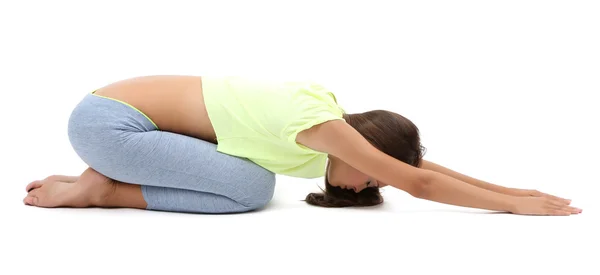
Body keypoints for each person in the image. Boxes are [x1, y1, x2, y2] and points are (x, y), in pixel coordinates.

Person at [23, 75, 581, 215]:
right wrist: (512, 209)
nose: (366, 182)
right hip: (109, 128)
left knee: (249, 183)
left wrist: (515, 188)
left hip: (118, 125)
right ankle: (100, 192)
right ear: (363, 145)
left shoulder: (334, 132)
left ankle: (106, 181)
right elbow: (420, 182)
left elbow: (416, 168)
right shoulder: (322, 126)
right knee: (249, 187)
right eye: (372, 172)